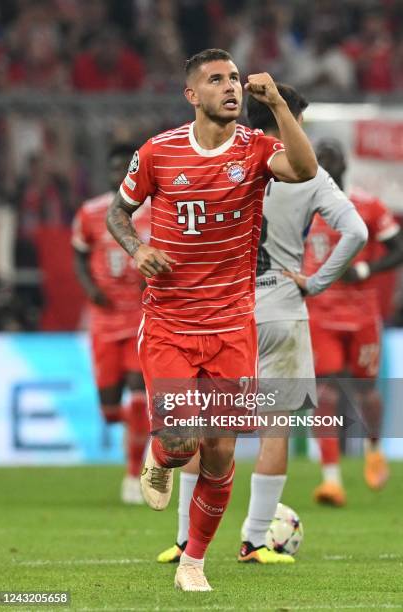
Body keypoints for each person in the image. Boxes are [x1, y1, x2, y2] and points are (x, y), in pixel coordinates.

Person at [106, 48, 317, 592]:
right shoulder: (159, 151)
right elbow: (118, 212)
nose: (231, 86)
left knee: (221, 451)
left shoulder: (256, 148)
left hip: (230, 327)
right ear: (191, 95)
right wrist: (135, 249)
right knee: (180, 441)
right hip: (171, 323)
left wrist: (278, 108)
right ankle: (162, 456)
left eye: (235, 79)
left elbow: (305, 169)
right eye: (216, 79)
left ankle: (193, 563)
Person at [156, 85, 368, 566]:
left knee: (207, 426)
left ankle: (186, 540)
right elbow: (357, 231)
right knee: (275, 430)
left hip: (223, 311)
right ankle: (254, 541)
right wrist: (315, 283)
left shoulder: (227, 159)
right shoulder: (309, 174)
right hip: (282, 309)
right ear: (289, 119)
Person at [304, 138, 403, 506]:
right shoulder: (303, 207)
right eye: (320, 160)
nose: (326, 165)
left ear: (344, 164)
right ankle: (331, 479)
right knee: (324, 392)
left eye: (331, 158)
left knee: (366, 391)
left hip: (362, 315)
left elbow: (398, 249)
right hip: (321, 314)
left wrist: (365, 269)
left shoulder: (368, 206)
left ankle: (375, 449)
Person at [72, 143, 150, 504]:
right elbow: (78, 253)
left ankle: (133, 476)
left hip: (139, 315)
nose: (119, 174)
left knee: (137, 393)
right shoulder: (90, 213)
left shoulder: (154, 211)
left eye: (126, 168)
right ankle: (144, 430)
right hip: (104, 319)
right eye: (114, 168)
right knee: (109, 409)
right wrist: (90, 289)